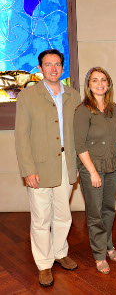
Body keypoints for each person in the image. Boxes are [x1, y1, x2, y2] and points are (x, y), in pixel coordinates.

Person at [15, 49, 80, 287]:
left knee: (63, 214)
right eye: (48, 64)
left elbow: (78, 134)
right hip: (39, 165)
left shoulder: (73, 95)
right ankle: (44, 264)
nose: (53, 68)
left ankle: (60, 251)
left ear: (63, 68)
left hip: (66, 162)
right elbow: (22, 136)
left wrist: (77, 164)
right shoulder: (28, 96)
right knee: (41, 217)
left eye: (57, 64)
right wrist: (27, 169)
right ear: (40, 68)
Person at [74, 67, 116, 274]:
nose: (100, 83)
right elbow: (80, 145)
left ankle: (108, 245)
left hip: (112, 166)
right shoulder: (83, 110)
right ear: (89, 84)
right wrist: (93, 172)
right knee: (95, 214)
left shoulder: (114, 108)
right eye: (95, 80)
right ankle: (99, 254)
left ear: (108, 83)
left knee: (108, 210)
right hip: (91, 168)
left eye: (103, 80)